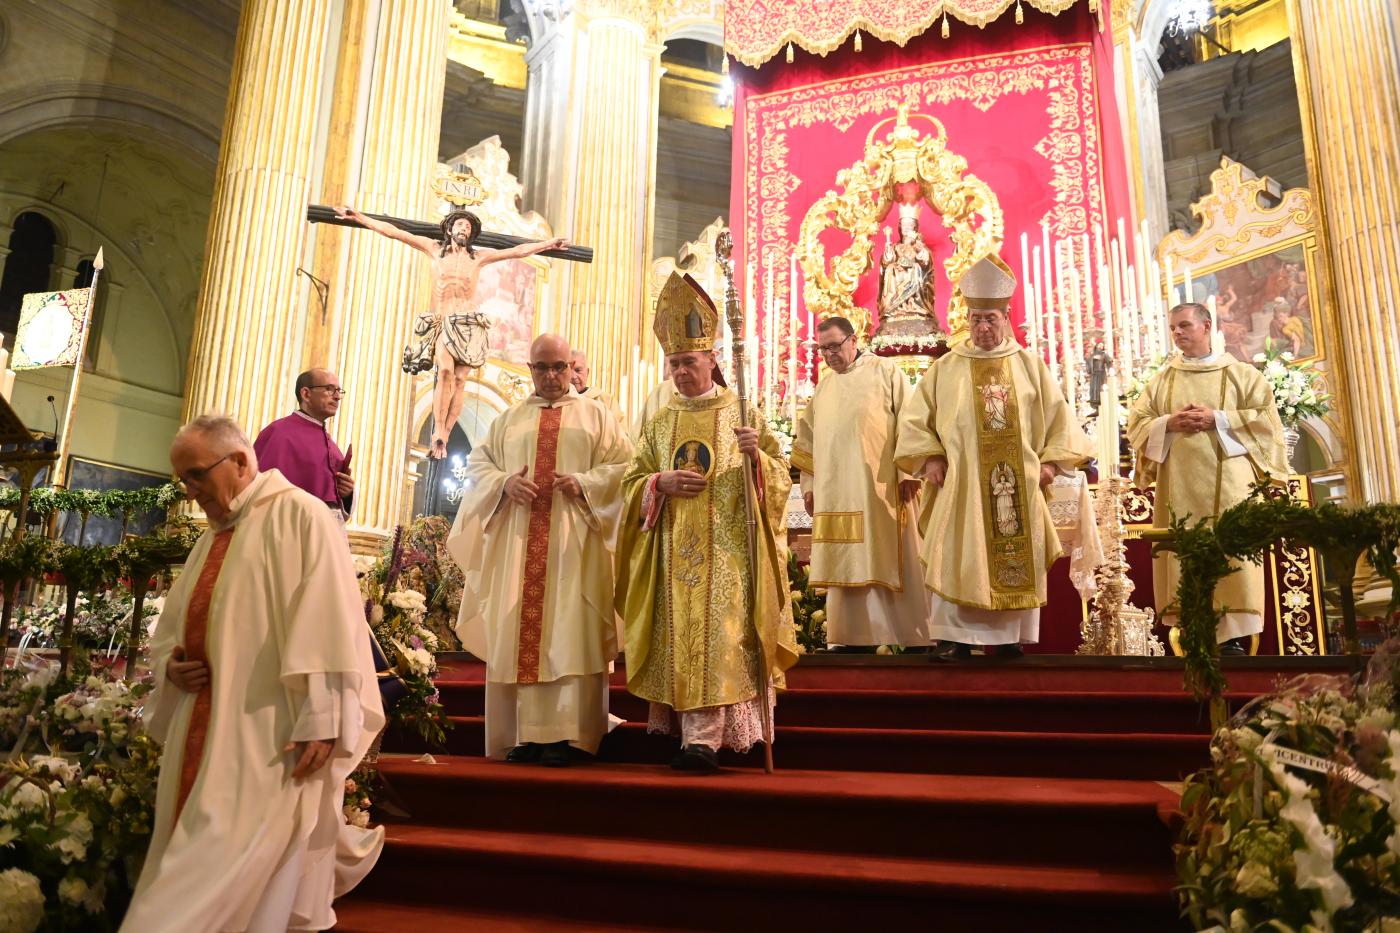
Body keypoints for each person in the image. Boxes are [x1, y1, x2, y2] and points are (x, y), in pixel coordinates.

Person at [121, 415, 383, 933]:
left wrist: (324, 716)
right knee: (197, 854)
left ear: (240, 462)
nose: (189, 491)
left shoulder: (301, 515)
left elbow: (328, 620)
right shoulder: (212, 537)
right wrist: (173, 666)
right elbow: (174, 626)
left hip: (269, 732)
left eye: (196, 475)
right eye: (182, 480)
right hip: (203, 725)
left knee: (232, 862)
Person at [615, 272, 798, 773]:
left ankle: (706, 742)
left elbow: (781, 478)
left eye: (688, 362)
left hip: (731, 555)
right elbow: (630, 484)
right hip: (674, 556)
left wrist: (757, 458)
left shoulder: (742, 412)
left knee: (723, 640)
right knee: (682, 639)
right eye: (673, 363)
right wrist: (659, 483)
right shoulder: (659, 422)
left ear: (712, 359)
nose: (680, 372)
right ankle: (688, 738)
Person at [895, 255, 1092, 660]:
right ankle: (956, 637)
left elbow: (1059, 418)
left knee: (1010, 552)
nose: (983, 327)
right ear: (967, 320)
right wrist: (930, 459)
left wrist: (1051, 463)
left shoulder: (1029, 366)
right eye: (976, 319)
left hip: (1018, 482)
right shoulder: (946, 368)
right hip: (962, 484)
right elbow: (916, 421)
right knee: (960, 553)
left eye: (991, 319)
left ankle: (1007, 638)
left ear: (1006, 318)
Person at [447, 334, 632, 765]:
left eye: (559, 367)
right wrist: (504, 484)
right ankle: (523, 735)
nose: (551, 376)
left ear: (572, 368)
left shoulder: (597, 417)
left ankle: (571, 736)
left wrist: (585, 483)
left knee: (572, 632)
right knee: (518, 632)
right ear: (530, 369)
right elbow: (479, 465)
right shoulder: (508, 420)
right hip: (517, 547)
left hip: (576, 547)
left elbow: (626, 468)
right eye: (542, 367)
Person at [334, 205, 568, 458]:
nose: (464, 229)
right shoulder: (434, 250)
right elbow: (395, 232)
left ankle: (444, 435)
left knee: (459, 381)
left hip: (469, 325)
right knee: (445, 371)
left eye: (468, 227)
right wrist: (359, 217)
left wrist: (547, 245)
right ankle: (438, 429)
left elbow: (516, 251)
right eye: (460, 225)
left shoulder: (478, 258)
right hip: (445, 322)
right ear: (449, 229)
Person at [1126, 302, 1288, 654]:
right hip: (1180, 486)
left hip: (1232, 486)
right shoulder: (1162, 380)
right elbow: (1136, 423)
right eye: (1173, 327)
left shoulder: (1242, 374)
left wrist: (1219, 419)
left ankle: (1232, 638)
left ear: (1207, 326)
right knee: (1184, 554)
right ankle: (1194, 631)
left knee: (1231, 553)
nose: (1177, 332)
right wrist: (1168, 423)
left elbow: (1268, 421)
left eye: (1184, 325)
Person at [792, 315, 930, 651]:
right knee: (845, 559)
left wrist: (908, 473)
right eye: (823, 349)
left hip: (880, 489)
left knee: (892, 556)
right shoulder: (824, 387)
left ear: (853, 340)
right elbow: (806, 442)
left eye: (834, 346)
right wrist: (808, 486)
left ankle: (910, 637)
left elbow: (910, 421)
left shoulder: (885, 372)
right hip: (836, 493)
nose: (829, 355)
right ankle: (849, 637)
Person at [253, 368, 354, 518]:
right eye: (329, 389)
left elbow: (334, 507)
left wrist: (346, 494)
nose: (337, 396)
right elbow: (262, 495)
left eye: (339, 391)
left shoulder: (332, 447)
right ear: (306, 394)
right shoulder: (279, 433)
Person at [569, 349, 625, 425]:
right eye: (569, 371)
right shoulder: (558, 401)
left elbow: (620, 430)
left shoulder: (607, 401)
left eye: (578, 370)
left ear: (587, 372)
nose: (573, 376)